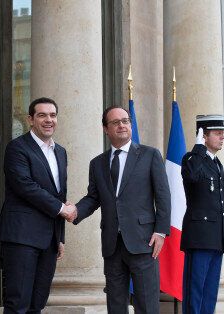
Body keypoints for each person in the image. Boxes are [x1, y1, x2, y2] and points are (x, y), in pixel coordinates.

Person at [71, 106, 171, 314]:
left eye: (125, 121)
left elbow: (163, 195)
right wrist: (75, 211)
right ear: (105, 129)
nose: (122, 125)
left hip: (144, 243)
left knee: (147, 305)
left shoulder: (149, 155)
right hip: (112, 245)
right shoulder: (97, 163)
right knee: (115, 306)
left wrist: (161, 231)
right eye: (115, 122)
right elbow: (93, 197)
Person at [0, 97, 72, 314]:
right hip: (21, 237)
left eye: (52, 115)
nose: (49, 120)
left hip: (48, 239)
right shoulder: (17, 148)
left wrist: (60, 237)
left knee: (37, 304)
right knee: (18, 304)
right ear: (30, 120)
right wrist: (61, 209)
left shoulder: (60, 152)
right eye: (42, 115)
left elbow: (60, 194)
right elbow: (25, 186)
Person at [180, 115, 224, 314]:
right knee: (195, 290)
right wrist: (198, 148)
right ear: (204, 136)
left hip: (215, 236)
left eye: (222, 134)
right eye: (217, 133)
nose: (222, 137)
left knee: (209, 293)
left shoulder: (217, 164)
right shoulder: (192, 159)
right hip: (199, 237)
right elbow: (192, 175)